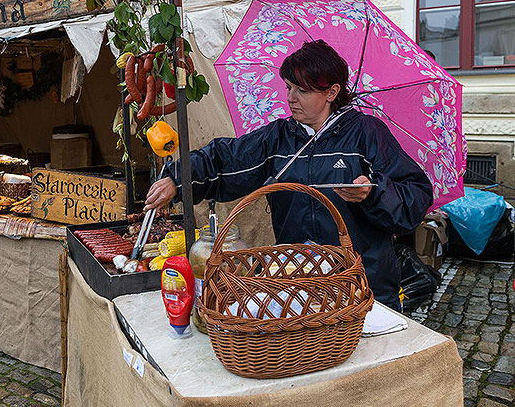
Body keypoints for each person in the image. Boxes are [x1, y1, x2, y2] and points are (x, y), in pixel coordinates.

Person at [145, 40, 433, 311]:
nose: (291, 98)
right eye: (288, 87)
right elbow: (226, 158)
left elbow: (416, 196)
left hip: (362, 285)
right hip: (297, 286)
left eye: (302, 91)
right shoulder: (279, 138)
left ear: (331, 92)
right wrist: (178, 177)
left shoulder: (367, 134)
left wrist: (373, 193)